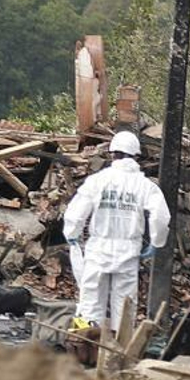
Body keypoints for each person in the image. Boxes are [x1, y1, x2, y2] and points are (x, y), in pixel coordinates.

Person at [63, 131, 171, 331]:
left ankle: (84, 342)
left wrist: (72, 234)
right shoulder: (145, 185)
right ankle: (120, 345)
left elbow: (77, 211)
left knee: (90, 301)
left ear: (112, 154)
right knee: (125, 304)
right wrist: (157, 242)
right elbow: (161, 216)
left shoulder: (98, 180)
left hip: (98, 249)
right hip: (128, 250)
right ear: (136, 156)